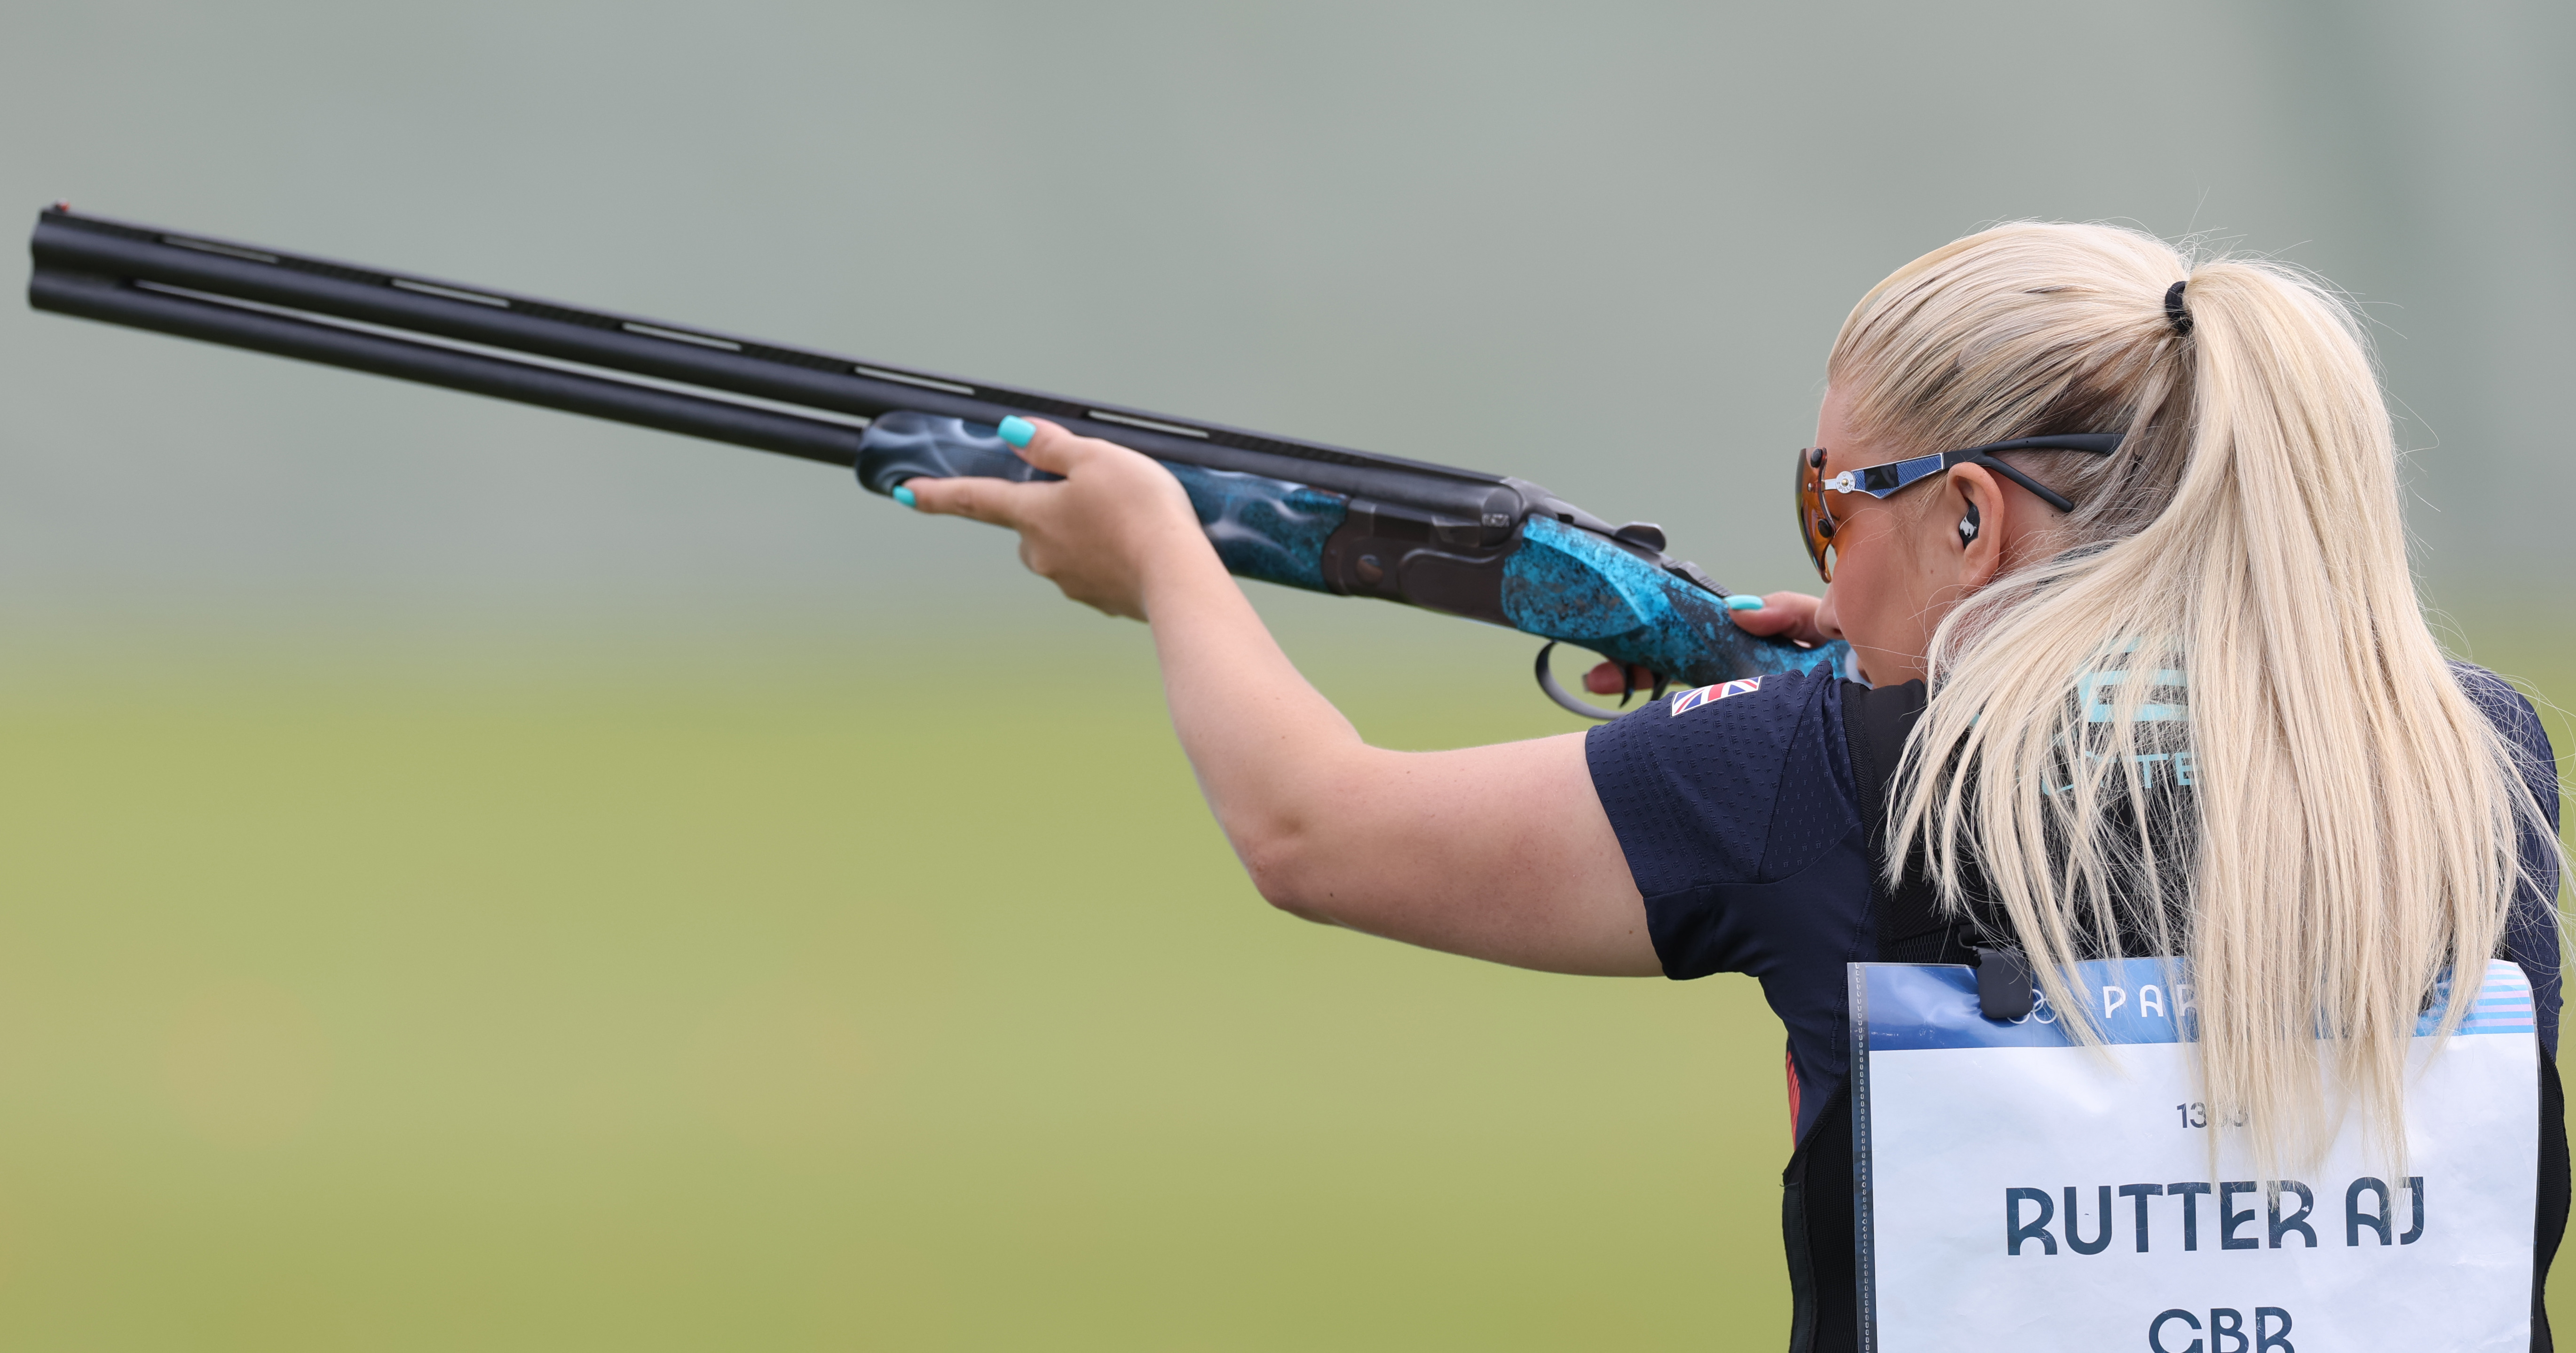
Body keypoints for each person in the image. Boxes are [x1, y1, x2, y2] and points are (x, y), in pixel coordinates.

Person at [899, 222, 2565, 1349]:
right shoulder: (2477, 756)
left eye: (1834, 507)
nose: (1825, 565)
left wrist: (1165, 564)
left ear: (1970, 519)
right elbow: (2144, 788)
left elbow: (1311, 824)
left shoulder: (1821, 781)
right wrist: (1858, 675)